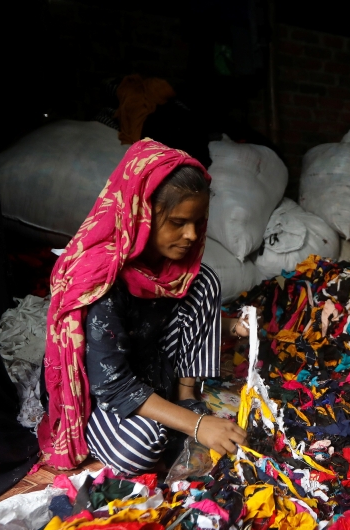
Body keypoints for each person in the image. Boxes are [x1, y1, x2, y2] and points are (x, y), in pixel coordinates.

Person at [38, 139, 249, 473]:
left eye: (198, 221)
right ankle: (175, 418)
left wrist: (227, 326)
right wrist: (196, 426)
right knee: (141, 447)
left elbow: (174, 318)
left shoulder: (175, 270)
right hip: (102, 388)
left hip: (151, 366)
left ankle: (184, 396)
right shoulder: (101, 281)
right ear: (141, 215)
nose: (192, 235)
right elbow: (111, 383)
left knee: (204, 279)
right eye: (178, 222)